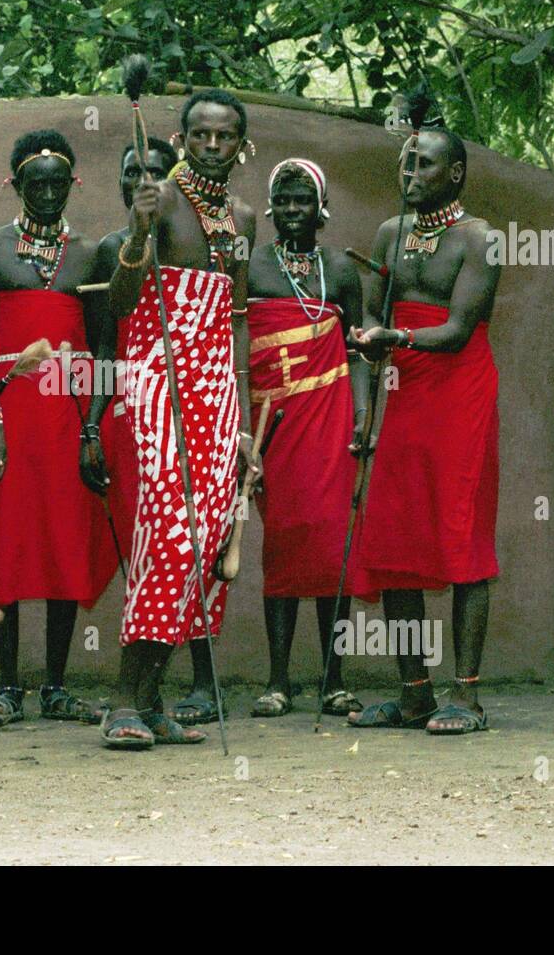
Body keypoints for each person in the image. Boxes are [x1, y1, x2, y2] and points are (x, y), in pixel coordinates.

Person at [99, 89, 259, 749]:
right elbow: (118, 300)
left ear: (240, 143)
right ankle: (121, 701)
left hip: (218, 386)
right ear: (183, 137)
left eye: (225, 137)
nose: (213, 147)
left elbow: (240, 317)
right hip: (159, 377)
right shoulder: (160, 201)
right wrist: (138, 234)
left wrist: (243, 415)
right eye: (201, 136)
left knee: (210, 534)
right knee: (170, 527)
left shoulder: (245, 216)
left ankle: (150, 698)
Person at [348, 124, 501, 734]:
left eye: (424, 165)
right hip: (401, 391)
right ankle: (415, 693)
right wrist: (365, 378)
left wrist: (397, 338)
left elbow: (461, 329)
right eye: (405, 165)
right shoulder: (391, 233)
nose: (410, 175)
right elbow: (370, 315)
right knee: (395, 537)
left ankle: (466, 697)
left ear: (455, 173)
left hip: (458, 392)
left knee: (460, 533)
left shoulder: (481, 240)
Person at [0, 129, 116, 725]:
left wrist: (93, 428)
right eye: (38, 182)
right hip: (9, 415)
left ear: (74, 183)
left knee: (62, 543)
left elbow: (105, 346)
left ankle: (56, 686)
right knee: (6, 546)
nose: (50, 192)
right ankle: (7, 687)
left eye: (60, 182)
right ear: (14, 183)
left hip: (67, 414)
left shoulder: (90, 253)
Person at [246, 158, 368, 718]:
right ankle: (277, 681)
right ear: (271, 207)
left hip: (331, 419)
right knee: (284, 545)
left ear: (321, 209)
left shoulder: (341, 270)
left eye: (303, 201)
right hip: (275, 424)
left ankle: (333, 680)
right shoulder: (251, 267)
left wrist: (364, 414)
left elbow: (358, 350)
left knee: (329, 548)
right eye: (284, 200)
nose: (293, 210)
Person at [82, 139, 173, 556]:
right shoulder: (110, 248)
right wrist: (92, 426)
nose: (142, 182)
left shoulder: (192, 244)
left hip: (191, 404)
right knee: (141, 535)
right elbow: (105, 345)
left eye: (154, 173)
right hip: (132, 410)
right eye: (133, 173)